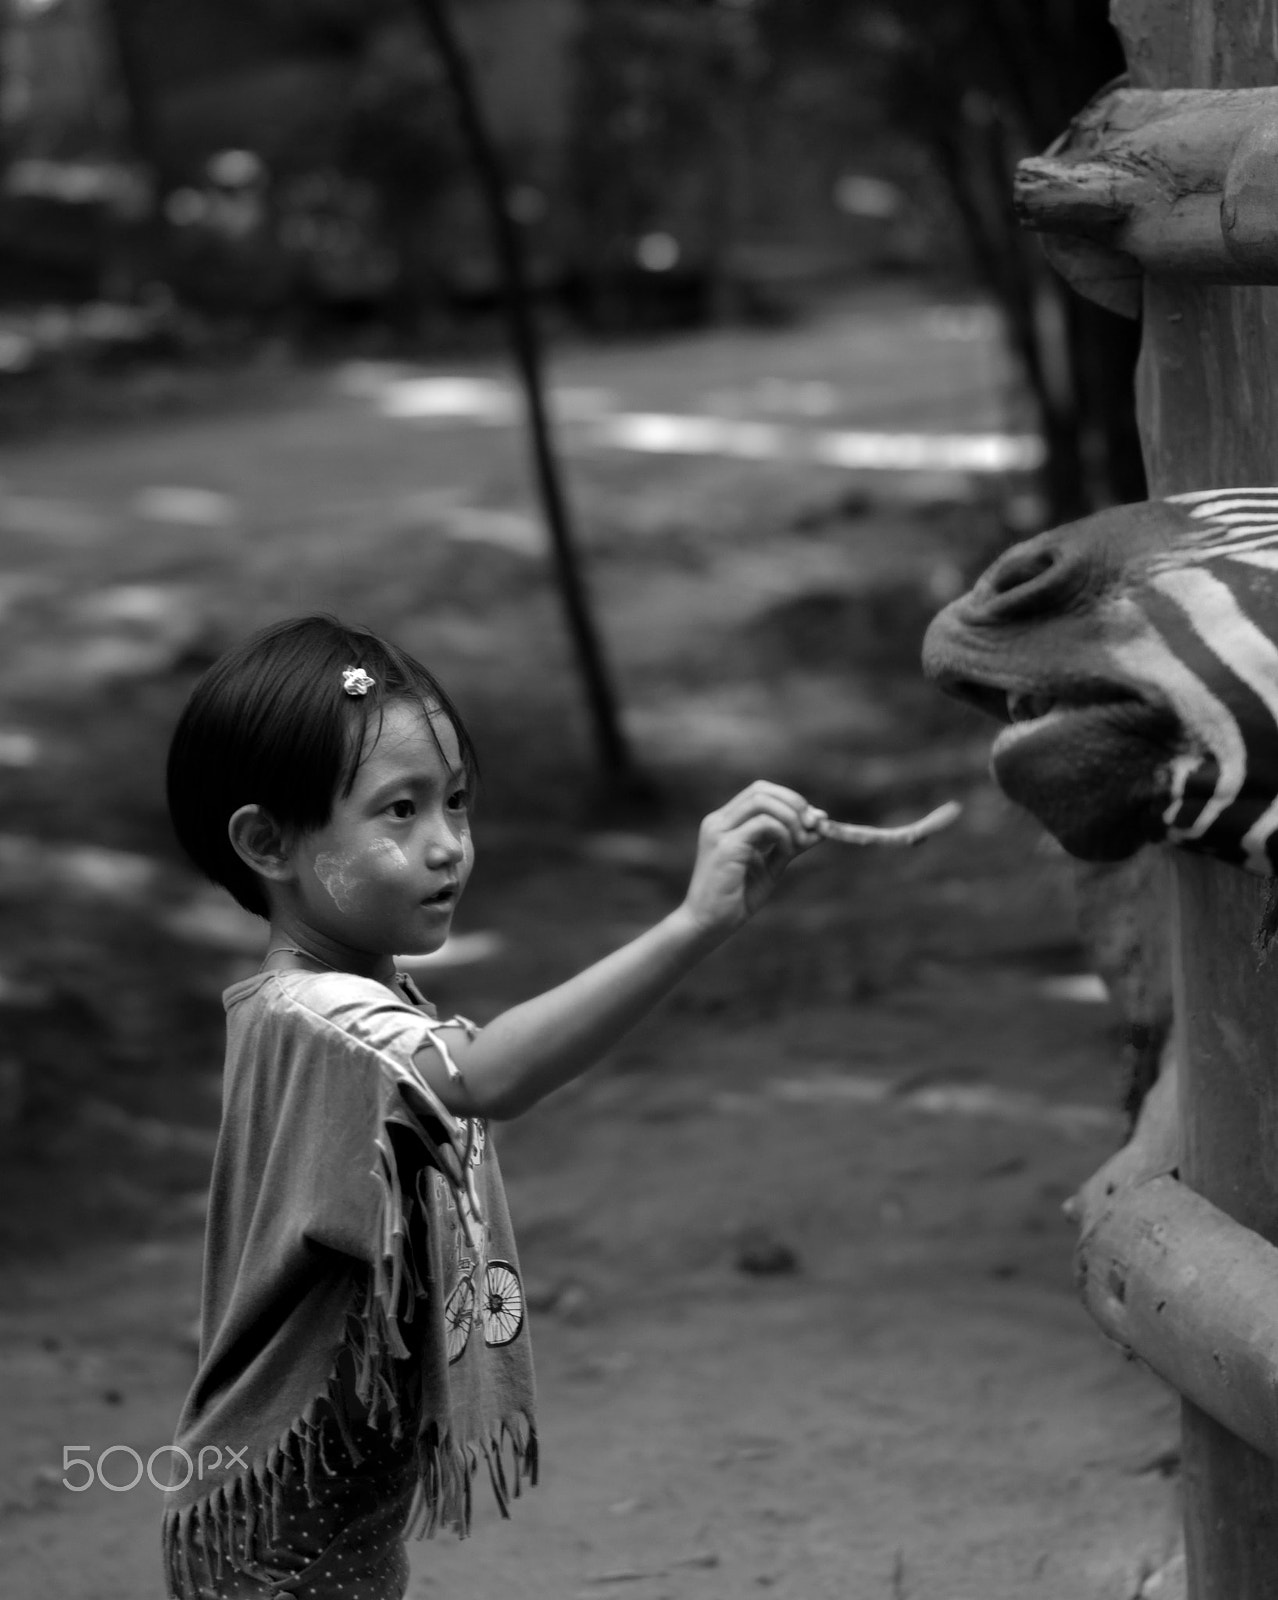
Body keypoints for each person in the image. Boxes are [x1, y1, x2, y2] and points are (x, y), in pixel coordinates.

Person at [161, 613, 828, 1600]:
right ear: (269, 843)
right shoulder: (327, 1020)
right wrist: (695, 924)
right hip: (274, 1526)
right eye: (399, 812)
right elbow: (481, 1078)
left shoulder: (333, 1006)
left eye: (457, 803)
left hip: (301, 1501)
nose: (447, 845)